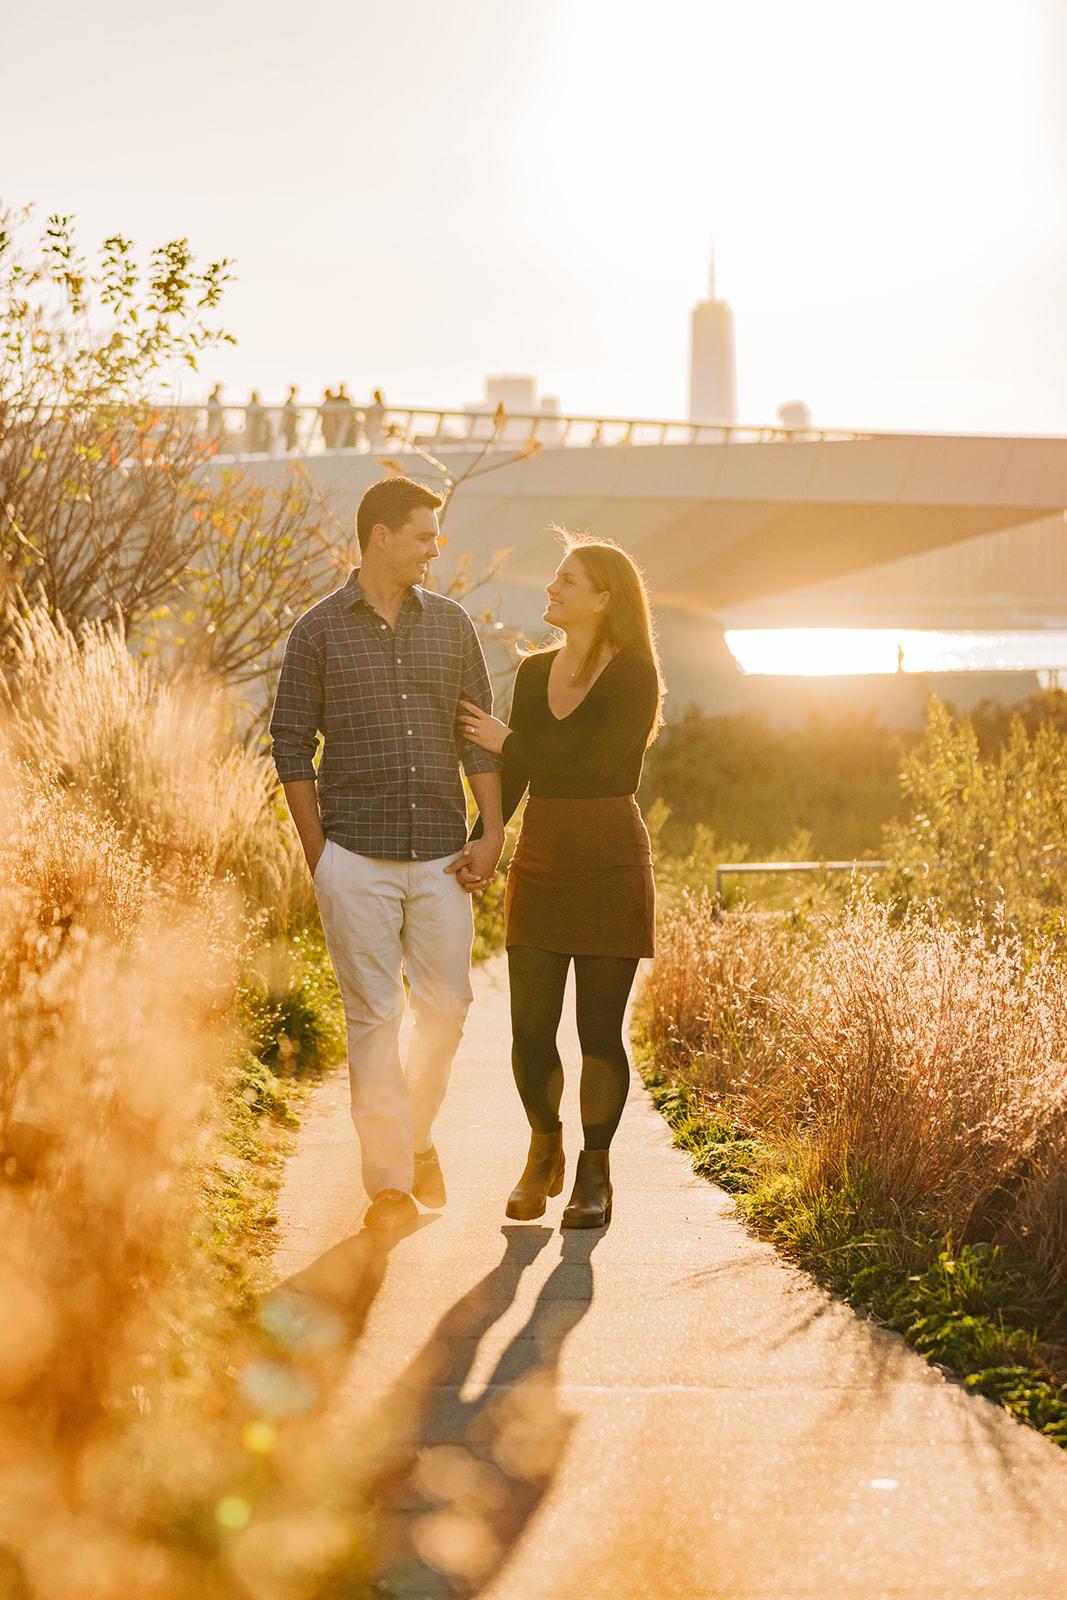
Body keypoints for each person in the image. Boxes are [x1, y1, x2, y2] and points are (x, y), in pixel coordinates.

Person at [269, 476, 504, 1233]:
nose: (435, 548)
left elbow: (477, 734)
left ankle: (417, 1137)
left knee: (446, 1009)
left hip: (441, 854)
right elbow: (290, 745)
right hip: (354, 856)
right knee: (374, 1017)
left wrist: (489, 829)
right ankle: (389, 1186)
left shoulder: (452, 626)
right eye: (424, 535)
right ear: (380, 537)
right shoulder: (317, 632)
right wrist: (319, 856)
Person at [459, 533, 663, 1228]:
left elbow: (589, 762)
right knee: (528, 1027)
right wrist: (485, 837)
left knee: (598, 1034)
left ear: (603, 599)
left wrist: (504, 740)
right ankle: (542, 1148)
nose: (550, 588)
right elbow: (520, 776)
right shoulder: (533, 672)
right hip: (542, 856)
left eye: (565, 580)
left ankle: (594, 1174)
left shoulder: (635, 673)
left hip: (609, 855)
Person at [281, 384, 301, 452]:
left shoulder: (290, 401)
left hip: (291, 426)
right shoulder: (289, 401)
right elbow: (288, 414)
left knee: (292, 443)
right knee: (290, 443)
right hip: (289, 426)